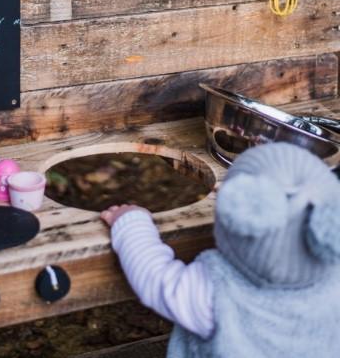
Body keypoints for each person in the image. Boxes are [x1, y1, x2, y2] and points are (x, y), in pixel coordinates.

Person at [100, 141, 340, 357]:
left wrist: (131, 223)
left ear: (241, 217)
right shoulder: (333, 278)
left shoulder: (217, 292)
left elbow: (155, 278)